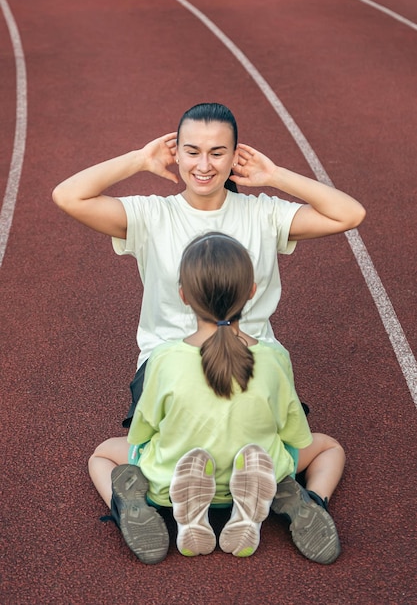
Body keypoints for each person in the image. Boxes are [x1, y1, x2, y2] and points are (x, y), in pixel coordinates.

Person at [52, 102, 366, 430]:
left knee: (265, 454)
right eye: (192, 151)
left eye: (217, 153)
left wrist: (274, 176)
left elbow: (349, 214)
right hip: (169, 361)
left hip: (249, 356)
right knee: (174, 457)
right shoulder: (151, 216)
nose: (204, 165)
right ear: (176, 154)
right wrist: (140, 159)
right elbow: (68, 196)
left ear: (234, 157)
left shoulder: (264, 213)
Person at [88, 233, 345, 565]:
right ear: (252, 291)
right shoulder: (274, 356)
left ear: (183, 295)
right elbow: (295, 433)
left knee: (102, 456)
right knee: (330, 448)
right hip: (262, 468)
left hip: (170, 479)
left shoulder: (164, 358)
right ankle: (308, 501)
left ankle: (128, 509)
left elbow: (142, 431)